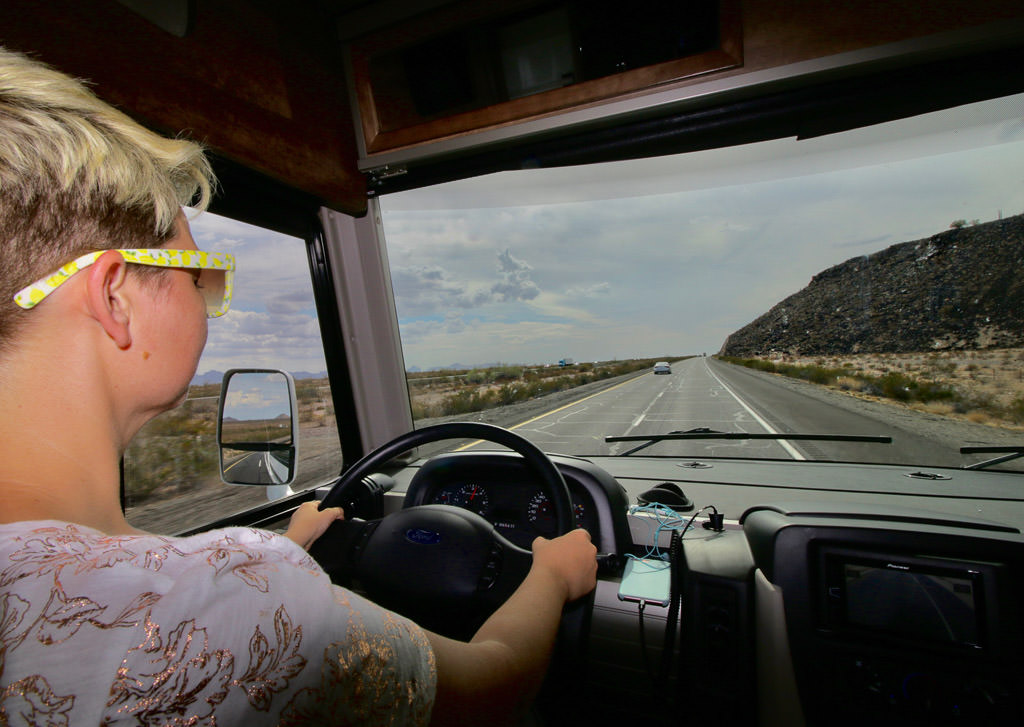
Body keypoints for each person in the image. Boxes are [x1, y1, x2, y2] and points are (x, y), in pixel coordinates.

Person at [0, 46, 597, 725]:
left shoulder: (229, 589)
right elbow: (495, 688)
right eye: (202, 274)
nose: (210, 299)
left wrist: (283, 546)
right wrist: (552, 573)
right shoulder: (243, 598)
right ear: (117, 298)